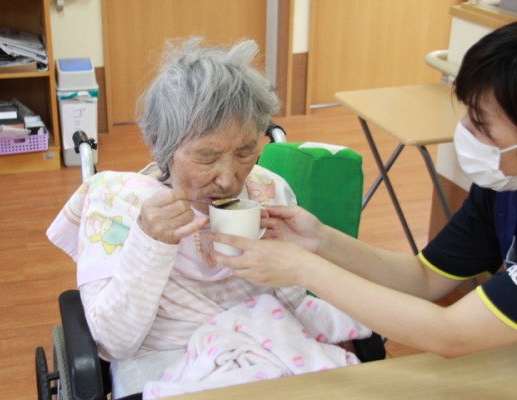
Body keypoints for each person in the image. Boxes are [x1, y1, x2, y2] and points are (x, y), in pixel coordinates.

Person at [47, 38, 370, 399]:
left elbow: (292, 306)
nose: (229, 180)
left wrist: (286, 258)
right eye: (207, 157)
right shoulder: (118, 202)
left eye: (246, 152)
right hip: (164, 357)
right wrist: (150, 243)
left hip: (268, 340)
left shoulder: (267, 190)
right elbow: (114, 343)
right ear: (161, 142)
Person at [211, 22, 517, 359]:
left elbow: (452, 335)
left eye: (483, 125)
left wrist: (303, 268)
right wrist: (320, 240)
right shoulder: (502, 188)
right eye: (468, 113)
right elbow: (425, 278)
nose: (465, 130)